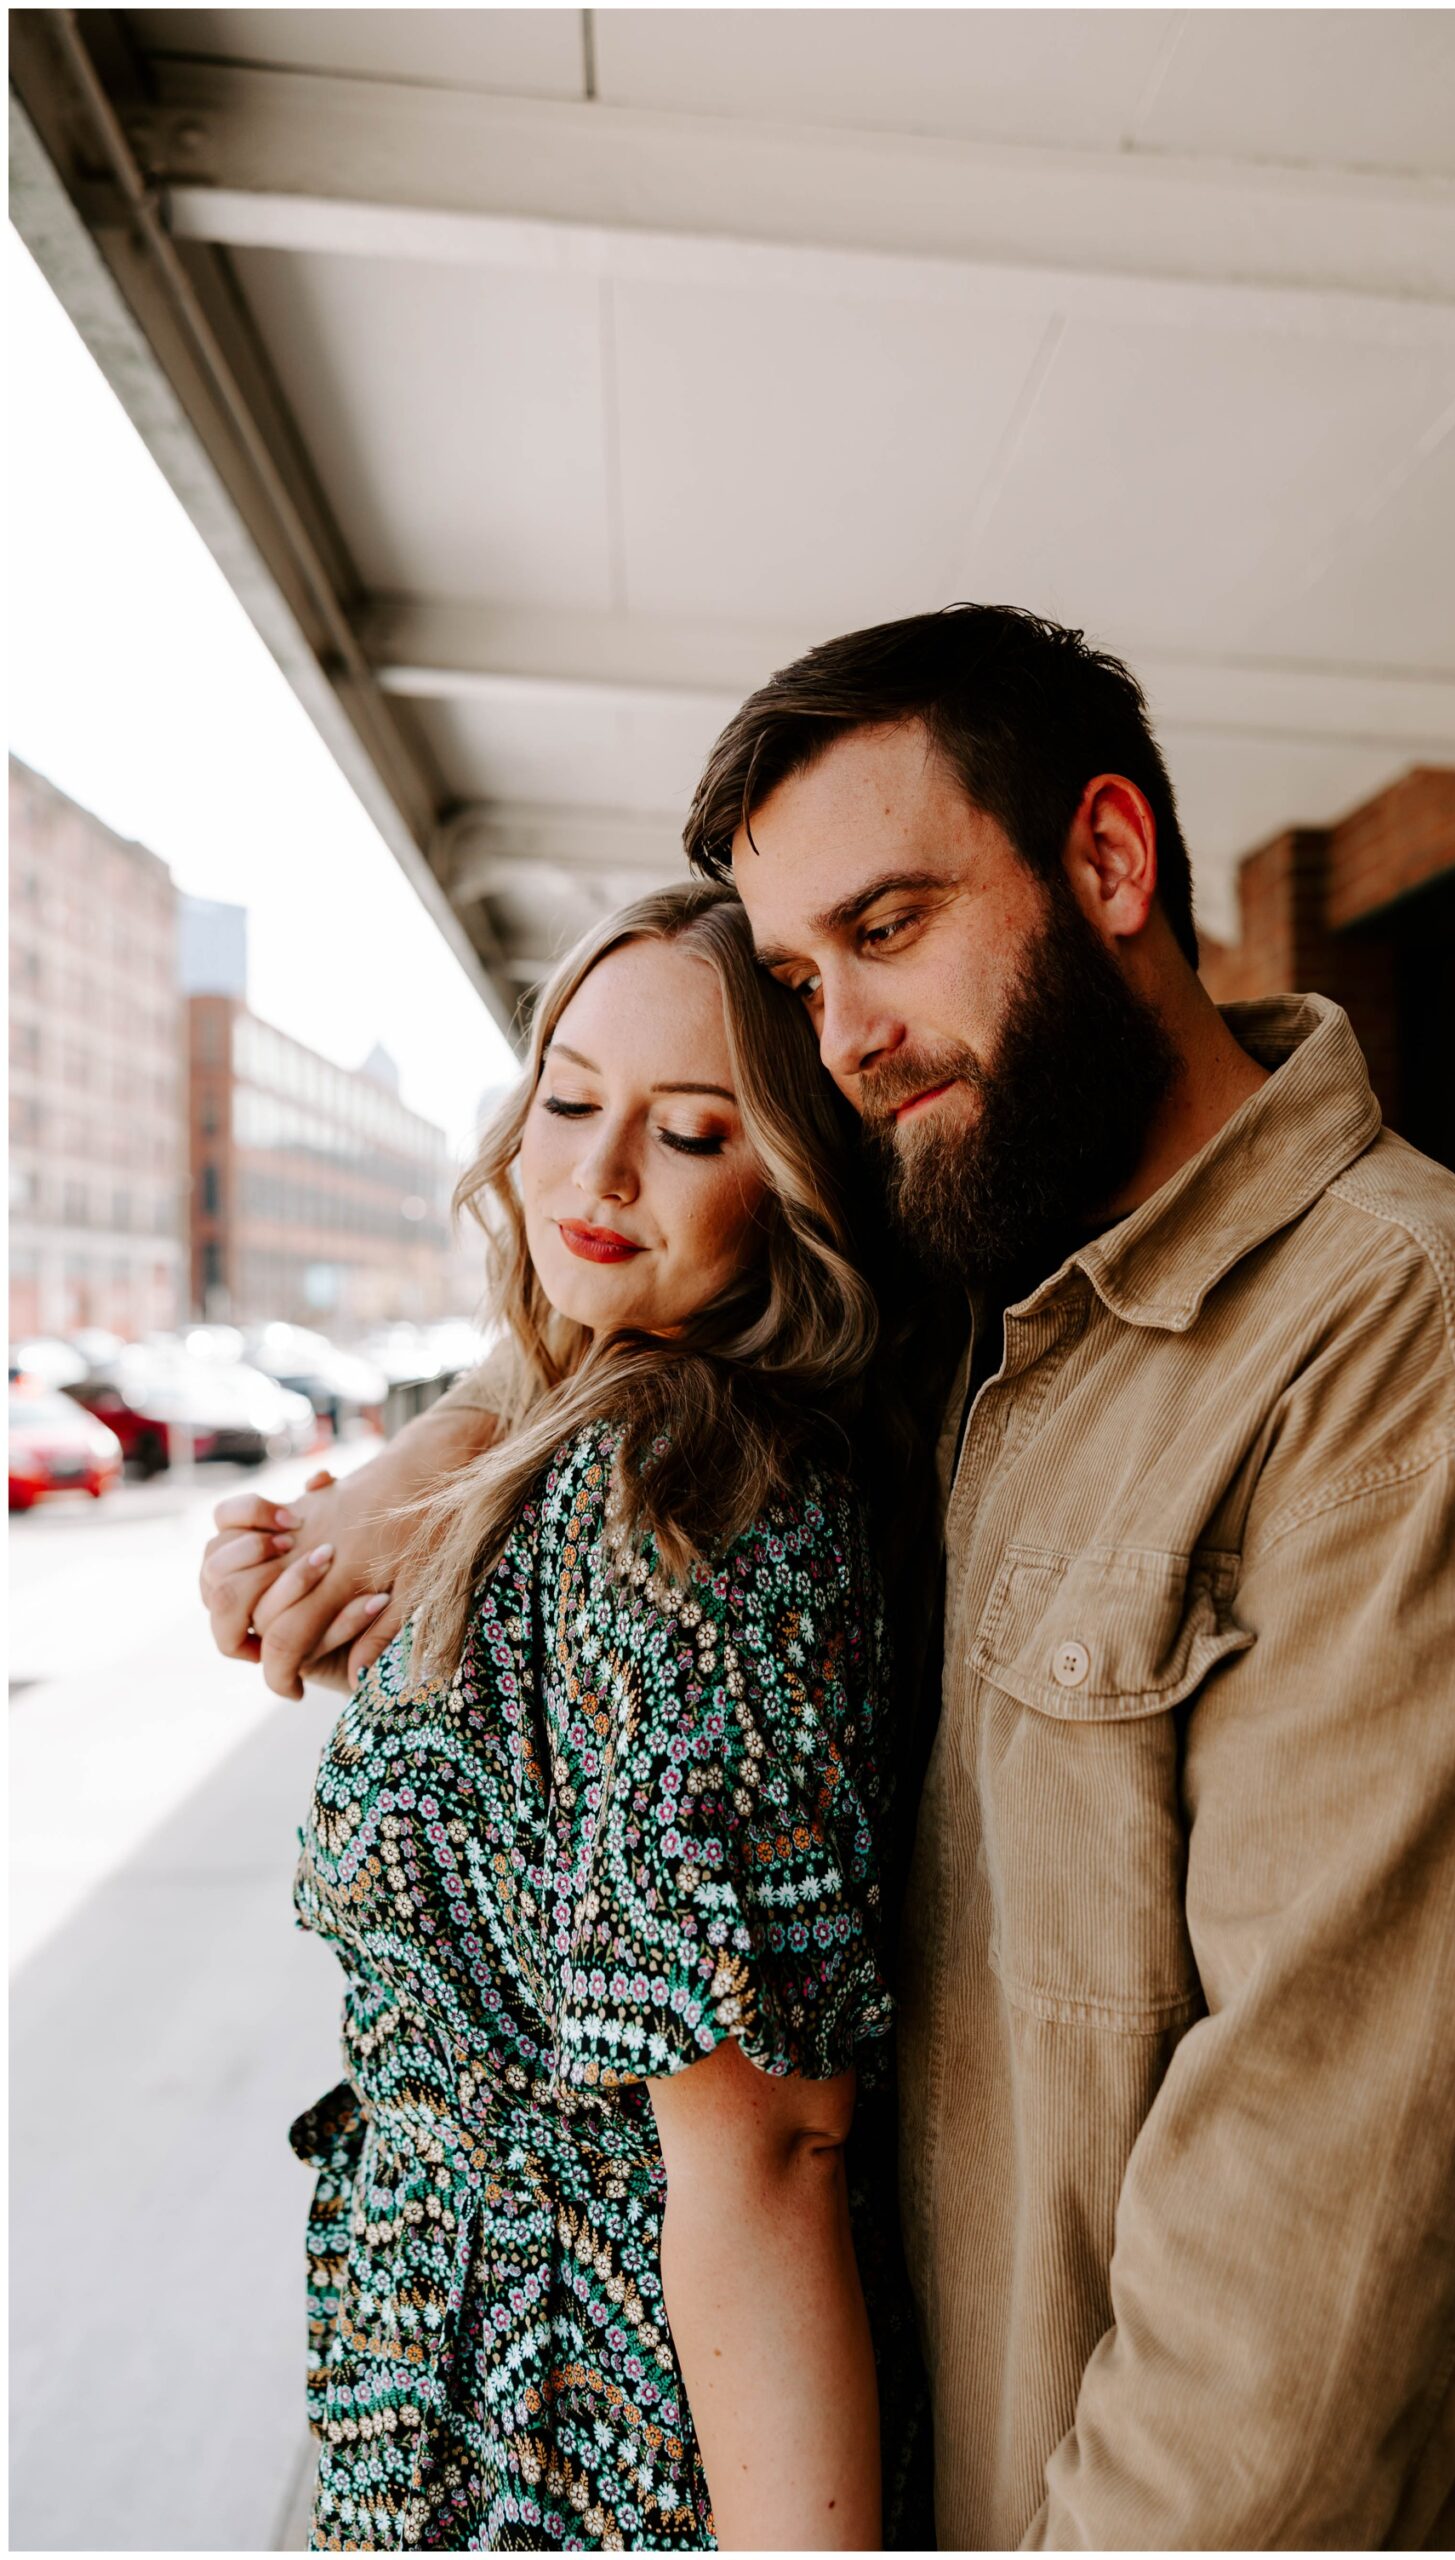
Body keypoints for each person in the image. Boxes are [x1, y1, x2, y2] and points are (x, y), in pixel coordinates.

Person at [206, 608, 1455, 2552]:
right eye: (804, 975)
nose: (845, 1031)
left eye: (885, 928)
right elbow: (655, 1278)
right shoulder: (1000, 1274)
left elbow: (1306, 2269)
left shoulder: (1408, 1371)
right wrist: (431, 1465)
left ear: (1105, 861)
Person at [246, 881, 929, 2551]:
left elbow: (766, 2151)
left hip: (573, 2424)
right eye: (565, 1101)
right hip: (461, 2374)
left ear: (798, 1175)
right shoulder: (596, 1438)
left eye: (691, 1132)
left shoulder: (680, 1498)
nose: (593, 1175)